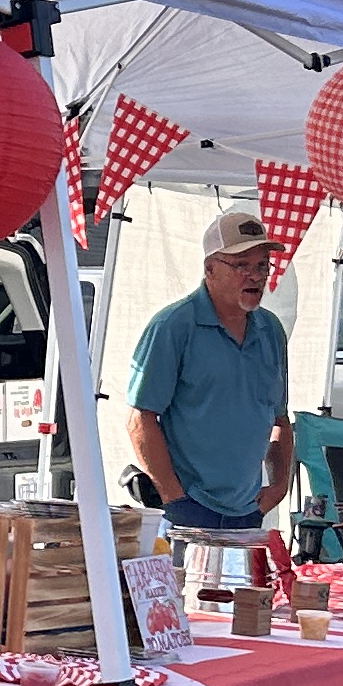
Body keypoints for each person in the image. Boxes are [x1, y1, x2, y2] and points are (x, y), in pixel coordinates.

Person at [123, 207, 295, 539]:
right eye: (241, 265)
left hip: (249, 510)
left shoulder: (271, 330)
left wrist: (279, 486)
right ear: (210, 269)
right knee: (189, 591)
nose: (256, 276)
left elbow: (280, 420)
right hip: (189, 508)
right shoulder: (174, 326)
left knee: (245, 593)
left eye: (262, 265)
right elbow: (139, 418)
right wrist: (174, 496)